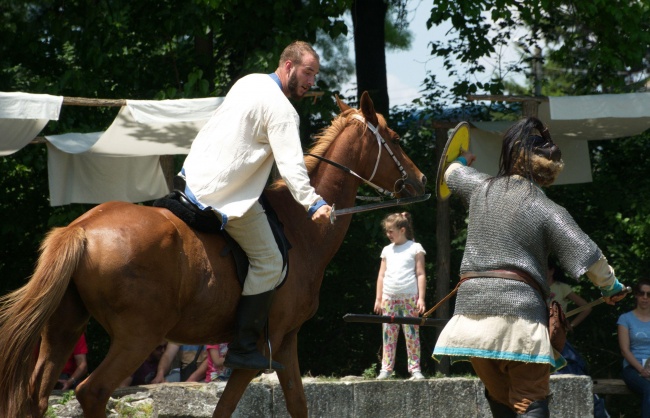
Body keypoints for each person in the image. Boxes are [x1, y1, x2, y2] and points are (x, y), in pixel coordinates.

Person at [432, 116, 626, 418]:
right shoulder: (547, 209)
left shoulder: (481, 187)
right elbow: (588, 255)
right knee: (530, 402)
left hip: (470, 322)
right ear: (550, 173)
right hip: (519, 324)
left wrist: (462, 157)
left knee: (502, 401)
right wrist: (611, 287)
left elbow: (452, 172)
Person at [178, 40, 332, 371]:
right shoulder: (282, 110)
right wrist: (313, 203)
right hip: (223, 195)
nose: (311, 81)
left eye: (315, 75)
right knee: (270, 260)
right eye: (307, 72)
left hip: (191, 179)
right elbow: (291, 168)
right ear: (288, 66)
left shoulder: (248, 82)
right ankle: (244, 346)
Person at [374, 212, 426, 381]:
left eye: (391, 231)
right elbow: (381, 275)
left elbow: (420, 274)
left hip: (410, 297)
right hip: (389, 298)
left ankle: (415, 368)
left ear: (402, 230)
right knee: (388, 334)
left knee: (412, 334)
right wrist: (378, 298)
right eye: (387, 231)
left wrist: (421, 298)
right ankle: (386, 369)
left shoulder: (415, 248)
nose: (388, 234)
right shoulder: (387, 250)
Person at [618, 278, 650, 418]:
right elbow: (625, 350)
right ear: (636, 295)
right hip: (633, 368)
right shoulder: (625, 319)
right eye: (642, 293)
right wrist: (642, 370)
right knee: (649, 389)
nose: (645, 298)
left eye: (649, 295)